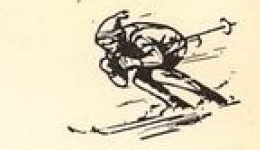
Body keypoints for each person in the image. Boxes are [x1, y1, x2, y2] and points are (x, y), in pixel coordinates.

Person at [94, 10, 233, 114]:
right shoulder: (116, 47)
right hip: (145, 55)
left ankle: (212, 97)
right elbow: (124, 83)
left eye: (109, 45)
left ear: (118, 38)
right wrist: (112, 71)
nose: (108, 50)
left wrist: (135, 62)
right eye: (104, 47)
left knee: (158, 74)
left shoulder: (139, 37)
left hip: (172, 48)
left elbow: (157, 59)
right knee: (138, 79)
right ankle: (176, 104)